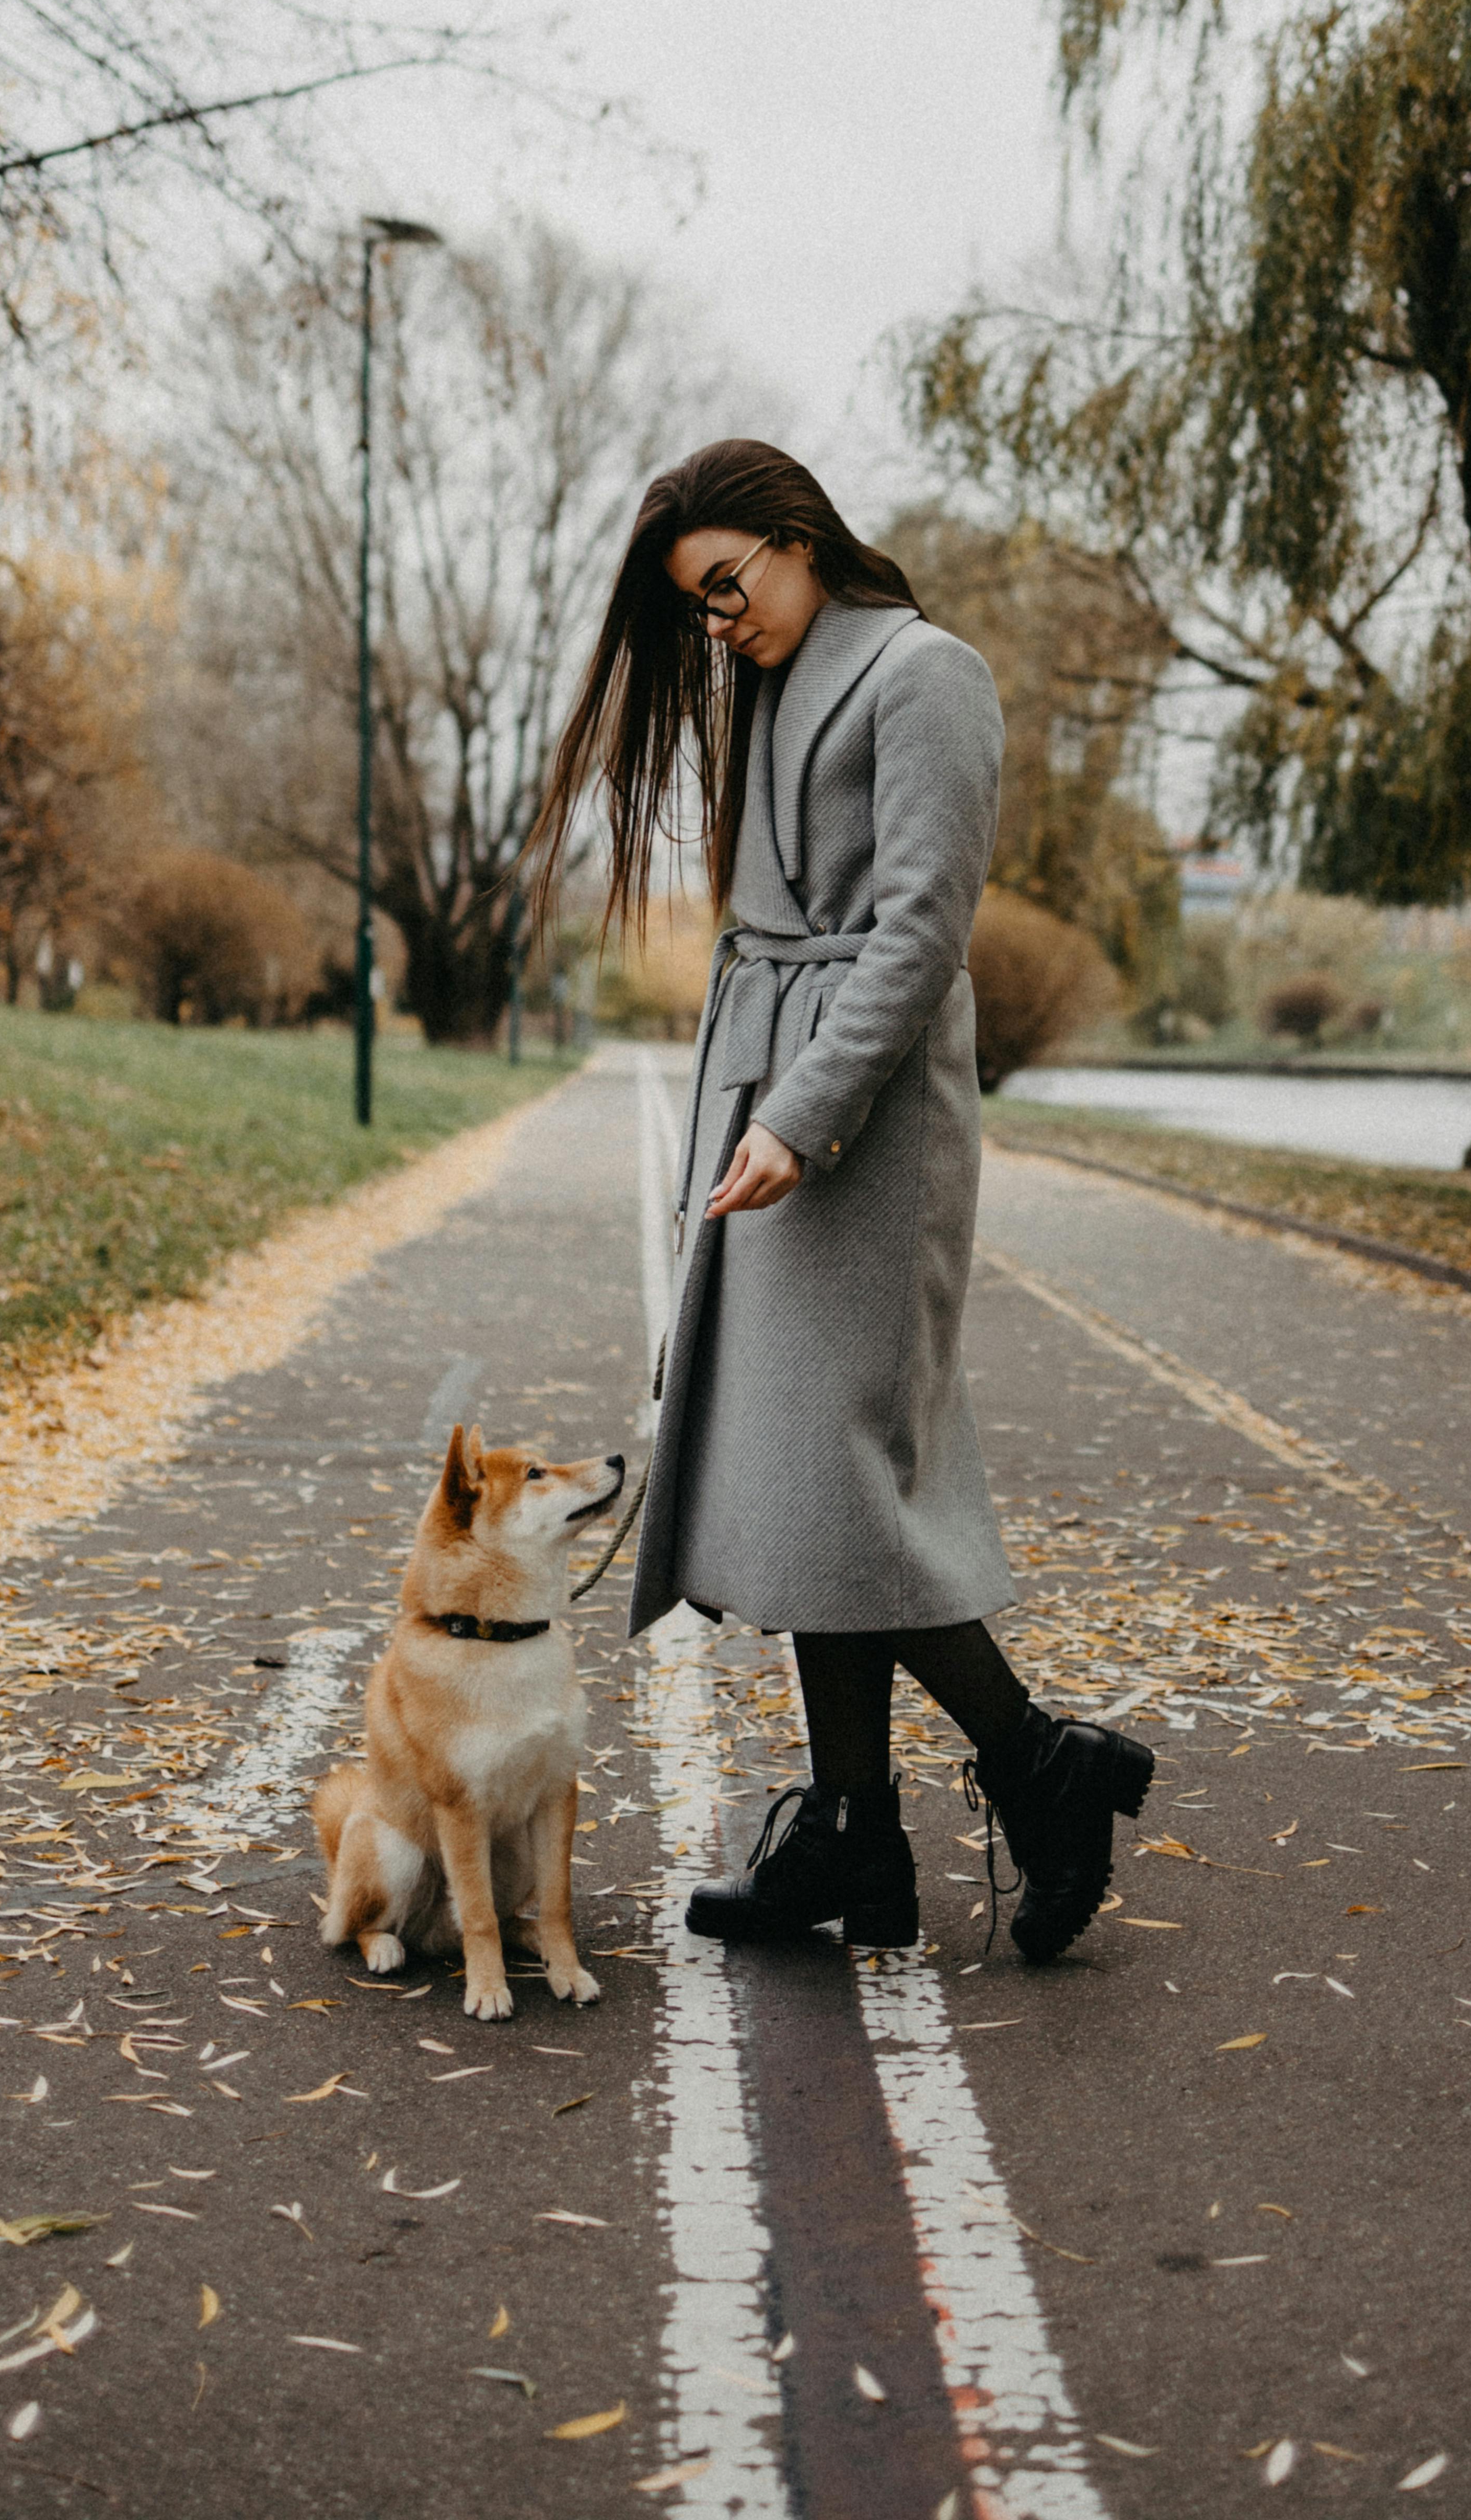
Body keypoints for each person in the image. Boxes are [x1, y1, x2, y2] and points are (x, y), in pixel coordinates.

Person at [527, 438, 1153, 1962]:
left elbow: (922, 929)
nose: (719, 623)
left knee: (845, 1480)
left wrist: (803, 1120)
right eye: (698, 607)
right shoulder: (773, 681)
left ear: (799, 537)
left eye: (727, 586)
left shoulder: (928, 675)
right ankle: (858, 1840)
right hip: (773, 1112)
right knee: (802, 1489)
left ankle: (1039, 1768)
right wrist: (749, 1115)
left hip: (867, 1132)